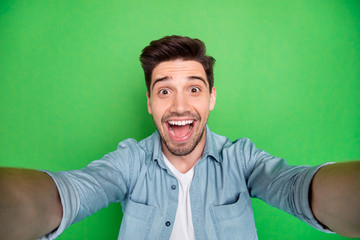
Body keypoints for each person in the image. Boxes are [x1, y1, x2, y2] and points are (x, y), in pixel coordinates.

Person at [0, 35, 359, 240]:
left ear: (212, 97)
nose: (180, 107)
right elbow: (71, 193)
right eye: (165, 91)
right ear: (150, 103)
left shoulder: (242, 159)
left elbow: (297, 186)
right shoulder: (129, 161)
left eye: (194, 88)